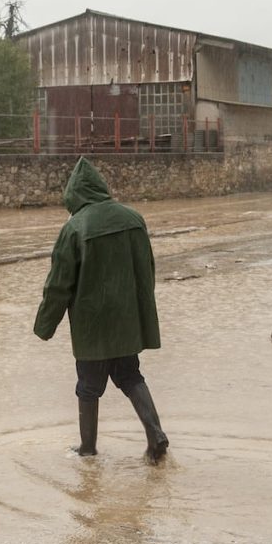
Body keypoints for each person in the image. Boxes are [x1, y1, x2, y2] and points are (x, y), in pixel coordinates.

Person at [33, 157, 169, 465]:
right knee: (131, 375)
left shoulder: (74, 229)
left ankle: (88, 450)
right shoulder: (133, 219)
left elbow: (58, 285)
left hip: (91, 323)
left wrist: (44, 326)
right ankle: (155, 434)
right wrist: (140, 309)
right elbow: (147, 270)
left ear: (74, 195)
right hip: (126, 319)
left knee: (88, 388)